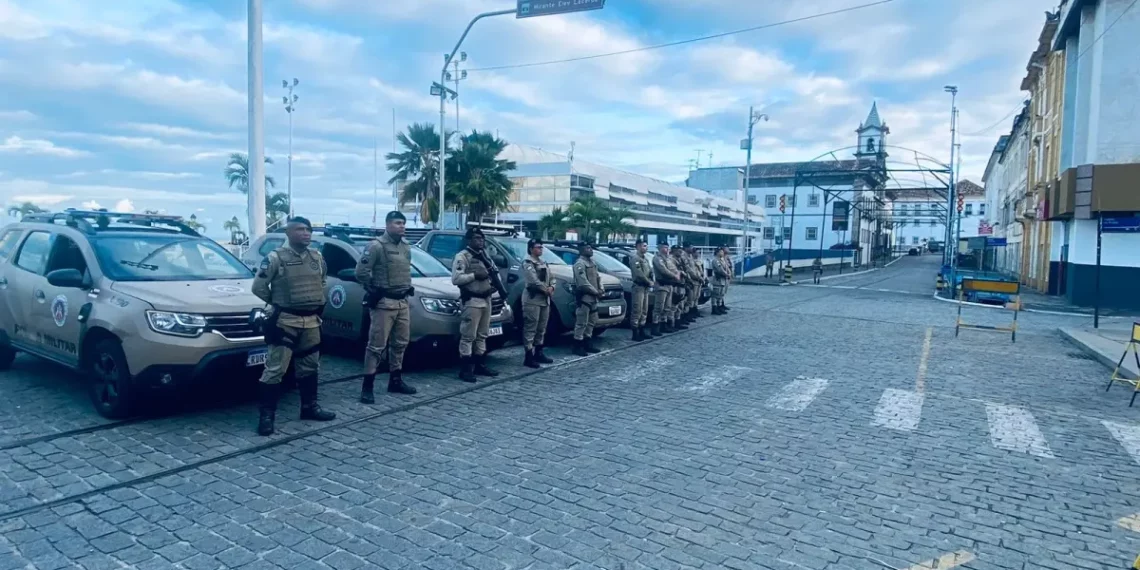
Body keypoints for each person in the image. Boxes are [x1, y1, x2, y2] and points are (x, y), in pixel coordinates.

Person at [251, 216, 336, 436]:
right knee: (275, 369)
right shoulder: (275, 258)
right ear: (288, 233)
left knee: (310, 366)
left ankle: (309, 407)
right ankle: (267, 416)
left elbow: (322, 281)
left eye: (308, 229)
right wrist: (279, 303)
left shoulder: (316, 257)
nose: (306, 233)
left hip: (311, 321)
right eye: (300, 229)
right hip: (285, 321)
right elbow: (258, 287)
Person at [355, 211, 417, 403]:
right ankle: (367, 387)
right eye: (397, 223)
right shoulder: (376, 246)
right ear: (388, 225)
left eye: (403, 223)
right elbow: (361, 272)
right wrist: (374, 290)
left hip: (402, 302)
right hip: (384, 303)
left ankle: (395, 380)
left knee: (400, 343)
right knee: (376, 346)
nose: (402, 226)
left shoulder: (406, 246)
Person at [451, 226, 506, 382]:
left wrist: (495, 285)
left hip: (486, 299)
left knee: (482, 335)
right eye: (476, 238)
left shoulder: (485, 255)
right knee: (468, 336)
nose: (480, 241)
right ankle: (466, 369)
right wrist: (474, 275)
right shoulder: (462, 257)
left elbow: (494, 272)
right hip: (472, 300)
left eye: (482, 238)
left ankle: (480, 364)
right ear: (469, 240)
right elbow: (456, 279)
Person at [521, 239, 555, 368]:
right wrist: (546, 290)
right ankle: (529, 355)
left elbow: (552, 278)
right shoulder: (528, 262)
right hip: (533, 299)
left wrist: (552, 287)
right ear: (531, 249)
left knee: (541, 328)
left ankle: (539, 352)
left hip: (544, 300)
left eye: (541, 247)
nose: (541, 249)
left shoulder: (543, 262)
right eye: (538, 247)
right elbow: (533, 281)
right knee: (531, 328)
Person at [571, 241, 602, 356]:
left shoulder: (592, 262)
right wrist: (596, 292)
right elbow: (582, 282)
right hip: (584, 297)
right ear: (581, 250)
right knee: (581, 322)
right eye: (587, 248)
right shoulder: (579, 264)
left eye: (590, 248)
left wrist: (601, 289)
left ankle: (587, 342)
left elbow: (598, 277)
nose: (591, 250)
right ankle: (577, 345)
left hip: (593, 298)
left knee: (591, 321)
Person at [628, 239, 654, 341]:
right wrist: (648, 281)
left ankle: (642, 329)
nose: (646, 248)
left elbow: (650, 270)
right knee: (637, 310)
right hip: (638, 287)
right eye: (644, 246)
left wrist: (651, 278)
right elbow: (639, 274)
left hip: (645, 287)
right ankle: (635, 332)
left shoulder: (645, 259)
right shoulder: (635, 258)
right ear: (638, 246)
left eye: (646, 246)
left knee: (644, 310)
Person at [651, 243, 678, 335]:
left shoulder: (668, 258)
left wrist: (677, 273)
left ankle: (664, 324)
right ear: (660, 248)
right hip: (661, 285)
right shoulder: (657, 258)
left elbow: (673, 268)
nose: (667, 249)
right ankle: (655, 326)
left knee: (667, 307)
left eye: (667, 247)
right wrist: (674, 275)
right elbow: (663, 270)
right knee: (659, 307)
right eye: (665, 247)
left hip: (669, 285)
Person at [711, 246, 731, 314]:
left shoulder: (722, 260)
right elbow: (720, 270)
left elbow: (726, 268)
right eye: (721, 252)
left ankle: (719, 307)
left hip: (722, 279)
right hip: (717, 279)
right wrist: (727, 275)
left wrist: (729, 273)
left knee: (720, 294)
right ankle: (714, 308)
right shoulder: (715, 260)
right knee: (715, 294)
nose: (722, 253)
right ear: (717, 253)